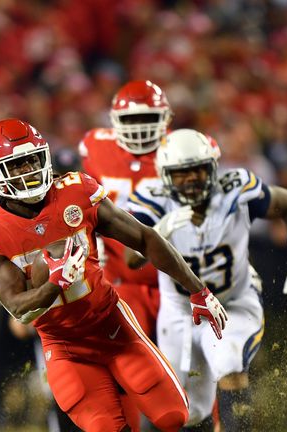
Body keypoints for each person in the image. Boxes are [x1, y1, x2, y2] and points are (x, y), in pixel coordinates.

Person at [0, 118, 228, 432]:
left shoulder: (75, 190)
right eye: (18, 165)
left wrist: (198, 290)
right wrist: (55, 283)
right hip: (64, 345)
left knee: (174, 416)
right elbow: (19, 306)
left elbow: (145, 238)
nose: (30, 170)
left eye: (33, 160)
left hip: (112, 325)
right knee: (104, 427)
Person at [125, 129, 287, 430]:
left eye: (198, 169)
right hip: (179, 312)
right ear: (164, 175)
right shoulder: (152, 201)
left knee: (229, 365)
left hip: (231, 302)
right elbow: (130, 259)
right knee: (181, 409)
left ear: (213, 167)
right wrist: (157, 231)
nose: (191, 179)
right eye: (181, 174)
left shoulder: (235, 189)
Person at [78, 79, 172, 340]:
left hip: (172, 274)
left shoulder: (180, 150)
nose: (139, 128)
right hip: (120, 274)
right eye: (131, 120)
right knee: (128, 351)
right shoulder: (97, 147)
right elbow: (83, 202)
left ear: (165, 118)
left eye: (147, 118)